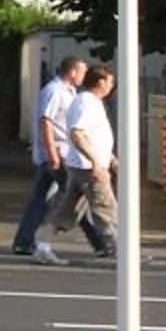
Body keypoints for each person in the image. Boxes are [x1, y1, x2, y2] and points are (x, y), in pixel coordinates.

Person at [42, 65, 119, 265]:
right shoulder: (87, 103)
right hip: (89, 169)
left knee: (66, 212)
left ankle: (43, 246)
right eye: (111, 81)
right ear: (100, 82)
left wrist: (110, 158)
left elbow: (93, 136)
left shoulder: (88, 102)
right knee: (107, 210)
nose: (112, 86)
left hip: (80, 166)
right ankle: (122, 254)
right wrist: (96, 162)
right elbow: (77, 133)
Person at [13, 55, 88, 257]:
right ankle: (102, 241)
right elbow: (46, 122)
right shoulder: (55, 91)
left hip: (58, 153)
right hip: (57, 153)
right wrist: (52, 154)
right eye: (81, 72)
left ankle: (24, 241)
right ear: (72, 72)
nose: (83, 76)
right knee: (75, 193)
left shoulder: (69, 92)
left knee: (41, 199)